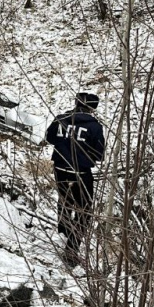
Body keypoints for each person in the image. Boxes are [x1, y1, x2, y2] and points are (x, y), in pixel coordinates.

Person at [45, 92, 106, 268]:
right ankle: (71, 250)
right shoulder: (95, 127)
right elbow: (99, 154)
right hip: (81, 172)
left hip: (60, 168)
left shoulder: (61, 119)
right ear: (93, 108)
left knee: (64, 199)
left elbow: (50, 138)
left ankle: (62, 231)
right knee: (84, 210)